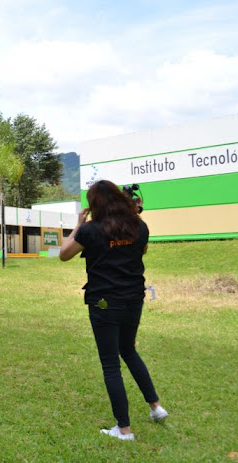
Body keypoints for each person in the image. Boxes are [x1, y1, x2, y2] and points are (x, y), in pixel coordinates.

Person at [59, 180, 168, 441]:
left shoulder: (90, 230)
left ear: (95, 204)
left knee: (111, 364)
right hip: (134, 299)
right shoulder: (139, 227)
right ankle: (155, 407)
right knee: (128, 350)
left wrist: (78, 224)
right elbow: (142, 250)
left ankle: (124, 429)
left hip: (104, 302)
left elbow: (64, 254)